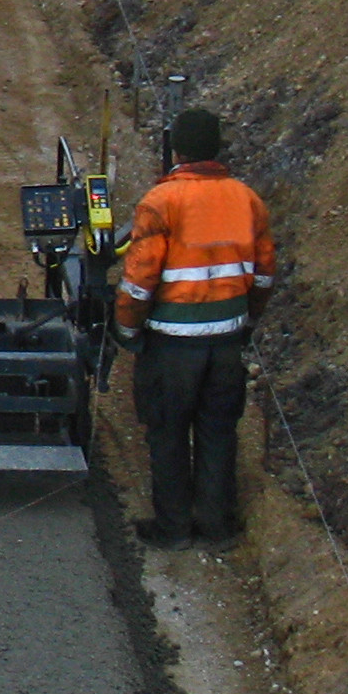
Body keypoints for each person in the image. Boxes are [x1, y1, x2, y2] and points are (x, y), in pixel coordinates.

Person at [114, 105, 275, 549]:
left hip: (171, 345)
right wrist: (247, 321)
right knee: (218, 431)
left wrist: (127, 329)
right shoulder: (247, 199)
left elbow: (139, 282)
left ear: (177, 151)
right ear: (217, 148)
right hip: (226, 343)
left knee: (167, 433)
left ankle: (173, 529)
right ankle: (217, 527)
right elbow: (264, 276)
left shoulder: (161, 202)